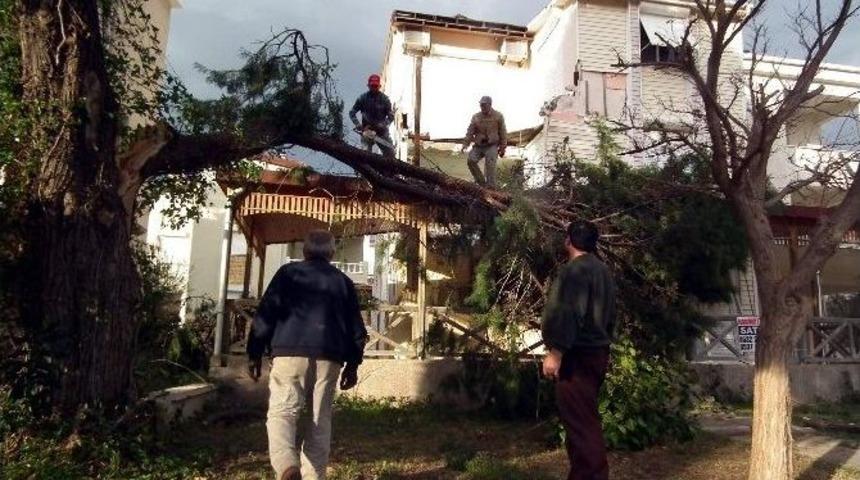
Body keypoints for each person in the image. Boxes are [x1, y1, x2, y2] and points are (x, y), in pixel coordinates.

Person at [248, 230, 368, 480]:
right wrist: (353, 365)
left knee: (282, 413)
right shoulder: (342, 282)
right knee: (319, 420)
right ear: (332, 253)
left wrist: (254, 353)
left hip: (288, 355)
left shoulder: (286, 274)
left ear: (304, 251)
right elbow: (357, 329)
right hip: (329, 357)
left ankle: (287, 467)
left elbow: (265, 315)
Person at [541, 221, 617, 480]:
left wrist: (556, 352)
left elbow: (570, 312)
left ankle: (593, 476)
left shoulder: (575, 271)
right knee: (581, 420)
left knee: (581, 424)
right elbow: (611, 316)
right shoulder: (603, 271)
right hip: (597, 353)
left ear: (569, 240)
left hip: (577, 356)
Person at [461, 95, 507, 187]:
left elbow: (503, 132)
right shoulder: (476, 117)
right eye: (481, 105)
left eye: (484, 105)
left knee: (490, 165)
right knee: (471, 160)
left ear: (490, 105)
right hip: (479, 145)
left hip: (492, 145)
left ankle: (491, 188)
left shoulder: (498, 116)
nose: (482, 107)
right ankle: (481, 183)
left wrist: (503, 147)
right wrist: (465, 144)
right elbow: (470, 131)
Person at [349, 74, 395, 159]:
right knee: (365, 155)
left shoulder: (385, 99)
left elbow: (391, 117)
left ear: (379, 86)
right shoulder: (362, 98)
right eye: (372, 86)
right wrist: (358, 125)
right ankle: (367, 170)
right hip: (367, 131)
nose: (374, 88)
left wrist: (384, 124)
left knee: (390, 154)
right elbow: (352, 112)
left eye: (375, 86)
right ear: (368, 86)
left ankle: (388, 171)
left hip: (382, 132)